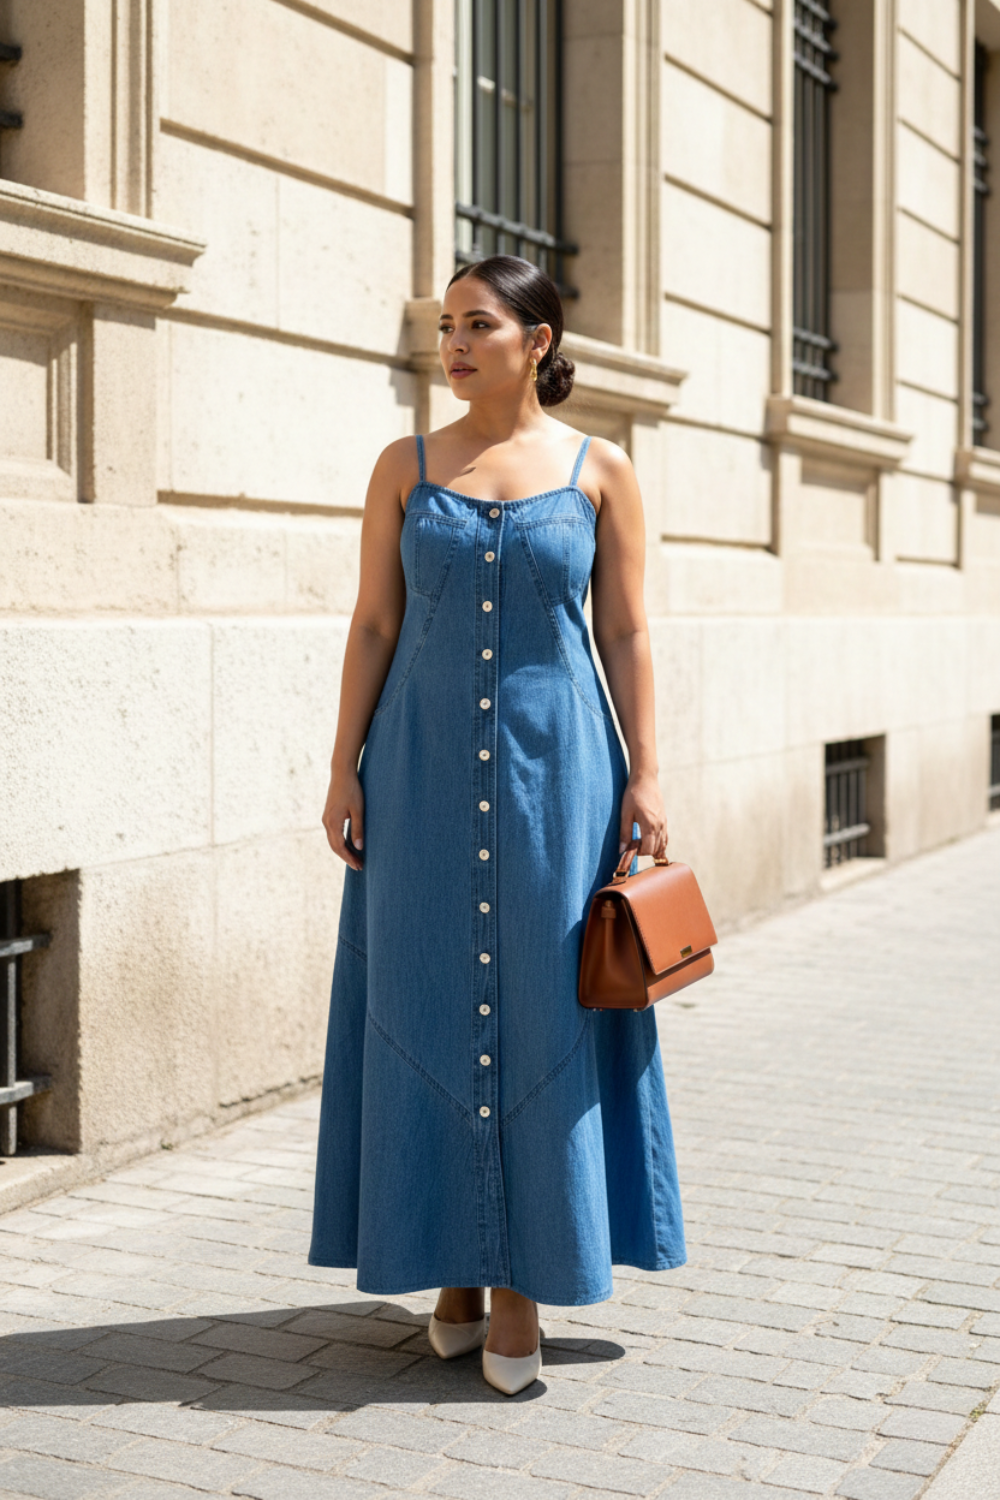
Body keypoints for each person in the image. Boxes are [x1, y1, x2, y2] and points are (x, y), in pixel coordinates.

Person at [309, 254, 686, 1396]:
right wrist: (343, 767)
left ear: (539, 339)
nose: (455, 344)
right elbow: (374, 623)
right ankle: (451, 1273)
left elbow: (624, 633)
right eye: (444, 327)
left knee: (542, 1001)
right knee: (422, 992)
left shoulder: (599, 468)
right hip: (418, 770)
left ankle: (520, 1275)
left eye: (479, 324)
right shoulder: (404, 466)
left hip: (556, 774)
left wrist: (648, 776)